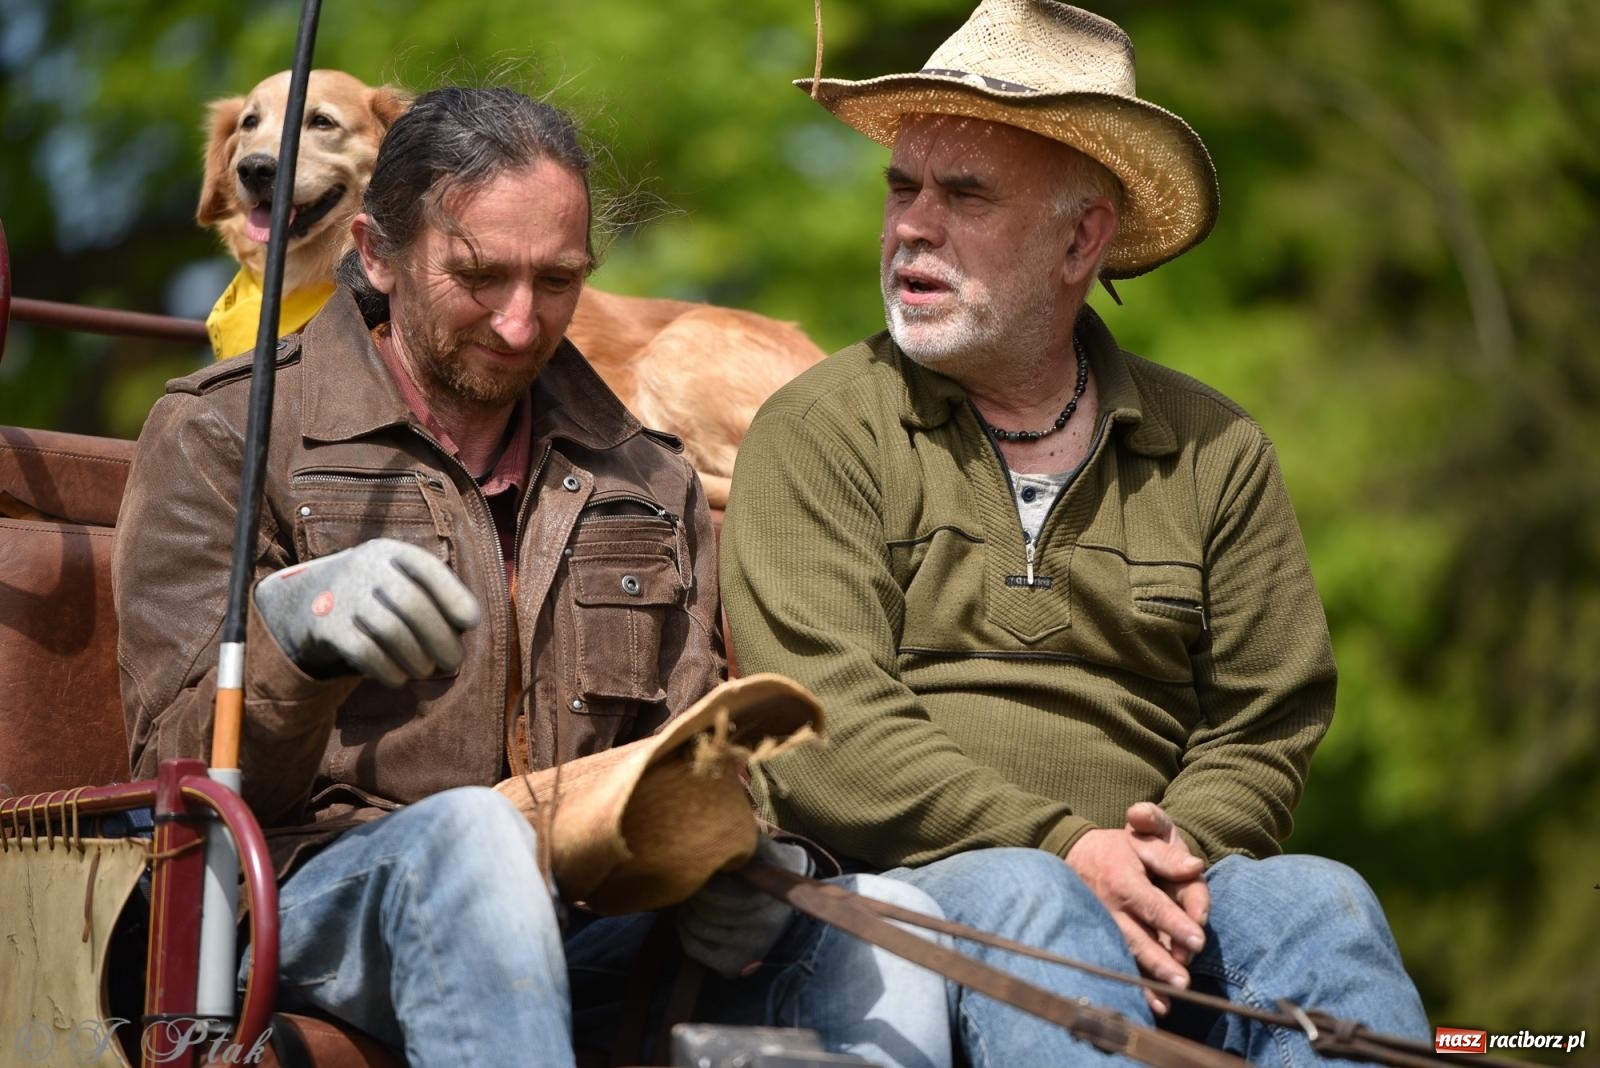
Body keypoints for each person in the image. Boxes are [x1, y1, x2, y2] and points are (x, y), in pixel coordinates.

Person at [112, 86, 954, 1068]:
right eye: (478, 277)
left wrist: (734, 848)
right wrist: (291, 651)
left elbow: (687, 739)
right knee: (473, 839)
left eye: (557, 282)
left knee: (886, 916)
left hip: (580, 915)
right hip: (300, 899)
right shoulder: (224, 430)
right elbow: (168, 785)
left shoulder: (648, 473)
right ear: (377, 256)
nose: (520, 324)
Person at [721, 1, 1431, 1063]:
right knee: (1028, 894)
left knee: (1321, 904)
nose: (912, 224)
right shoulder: (820, 428)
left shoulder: (1214, 446)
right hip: (903, 896)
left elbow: (1261, 724)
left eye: (963, 194)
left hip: (1163, 891)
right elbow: (823, 732)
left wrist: (1167, 869)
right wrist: (1067, 850)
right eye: (902, 187)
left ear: (1081, 237)